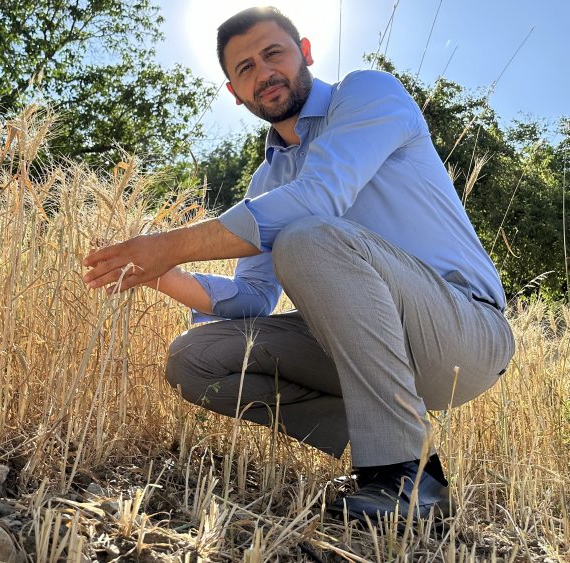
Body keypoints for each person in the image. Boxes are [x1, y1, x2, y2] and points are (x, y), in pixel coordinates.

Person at [82, 6, 514, 522]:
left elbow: (320, 195)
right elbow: (251, 299)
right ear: (234, 92)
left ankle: (404, 478)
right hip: (358, 345)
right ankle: (396, 449)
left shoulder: (368, 92)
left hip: (463, 333)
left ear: (304, 52)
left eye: (273, 54)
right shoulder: (266, 183)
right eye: (245, 68)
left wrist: (170, 245)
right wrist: (159, 273)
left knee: (305, 235)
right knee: (193, 359)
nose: (264, 73)